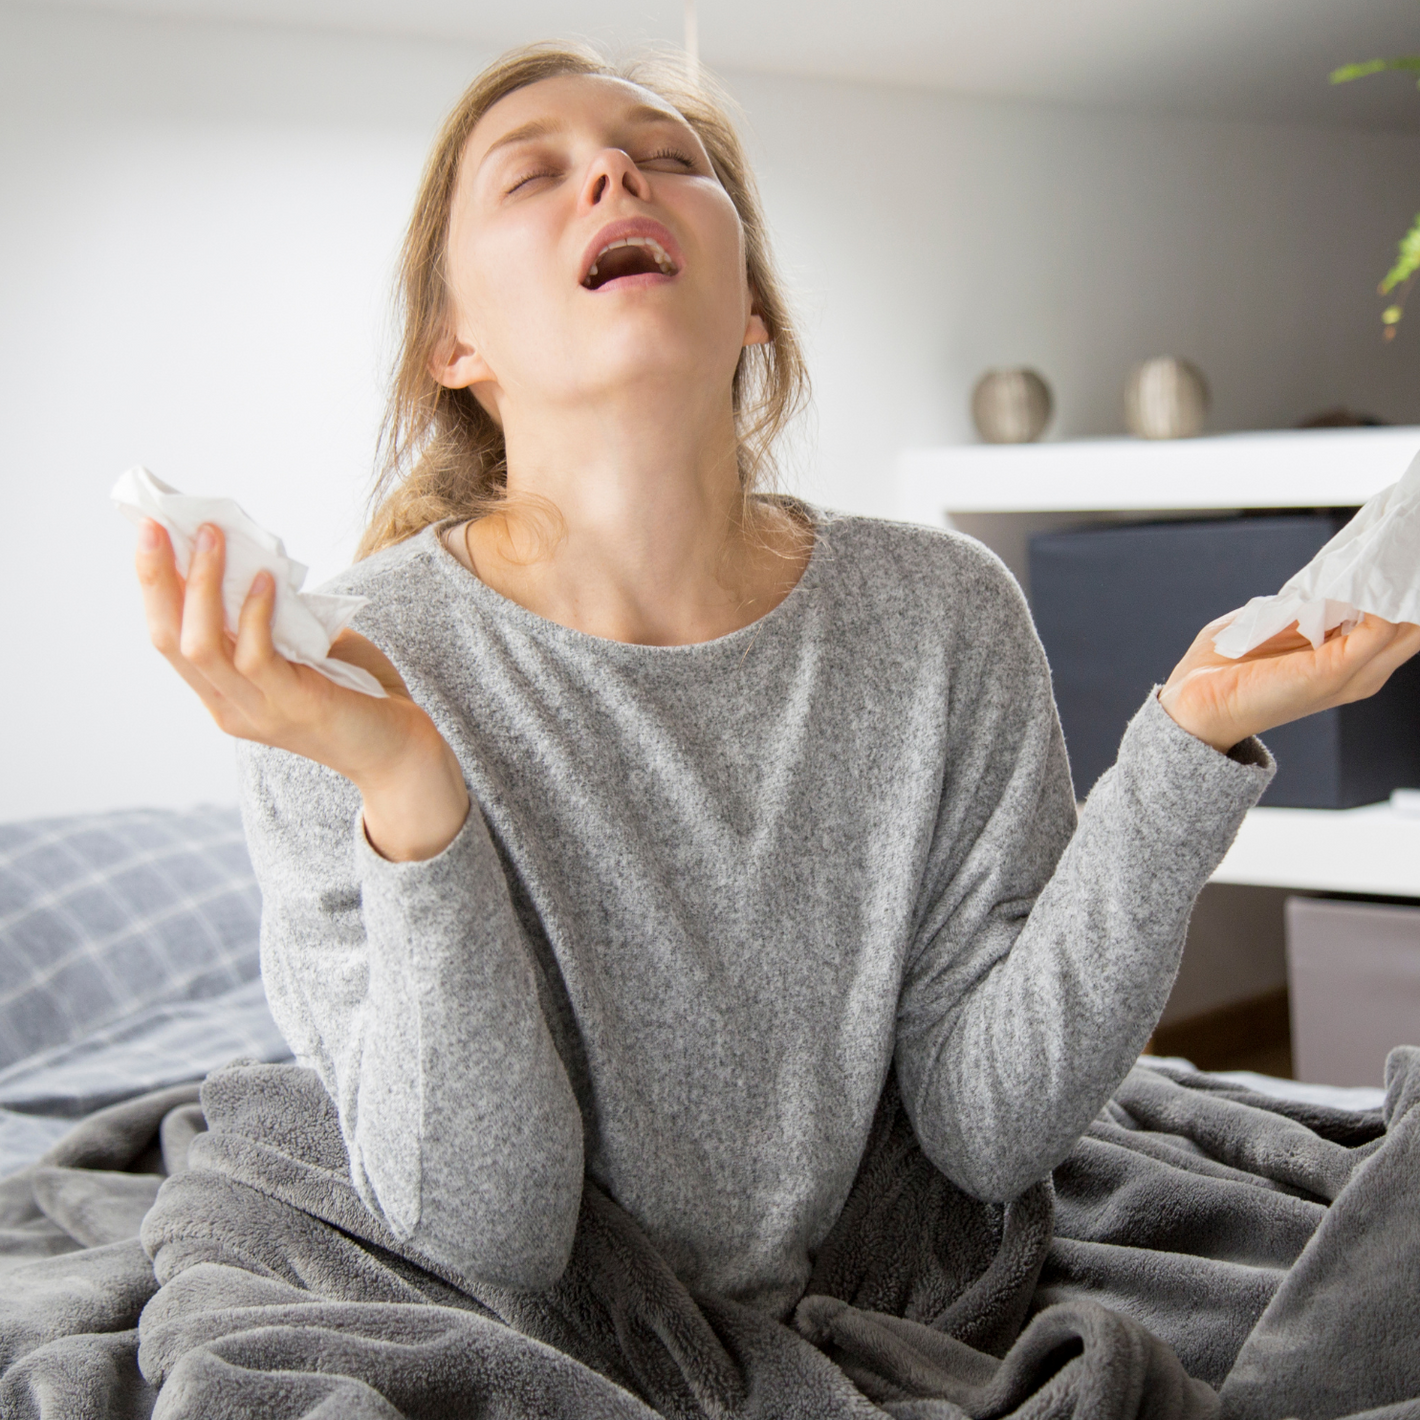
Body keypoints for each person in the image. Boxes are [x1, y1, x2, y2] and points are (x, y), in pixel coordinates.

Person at [130, 43, 1420, 1320]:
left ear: (750, 301)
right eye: (535, 175)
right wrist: (409, 788)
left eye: (671, 161)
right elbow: (490, 1235)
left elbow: (987, 1128)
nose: (615, 180)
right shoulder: (348, 675)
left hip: (902, 1281)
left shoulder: (944, 612)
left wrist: (1185, 750)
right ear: (449, 343)